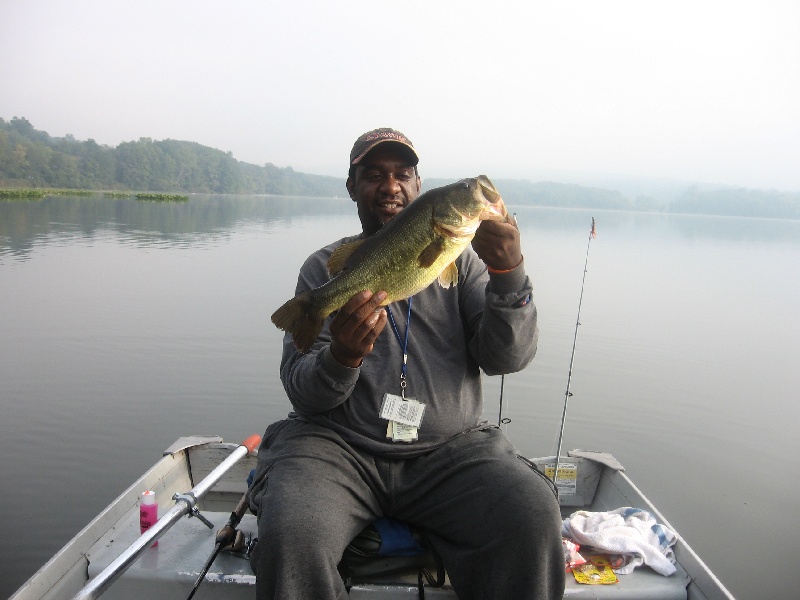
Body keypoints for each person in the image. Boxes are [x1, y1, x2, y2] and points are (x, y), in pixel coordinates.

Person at [249, 128, 564, 599]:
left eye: (403, 174)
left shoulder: (467, 263)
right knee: (290, 530)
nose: (390, 185)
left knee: (532, 512)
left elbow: (508, 358)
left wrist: (509, 272)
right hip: (338, 449)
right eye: (373, 175)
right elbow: (302, 391)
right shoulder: (325, 270)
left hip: (450, 453)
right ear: (352, 187)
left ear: (419, 188)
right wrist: (343, 357)